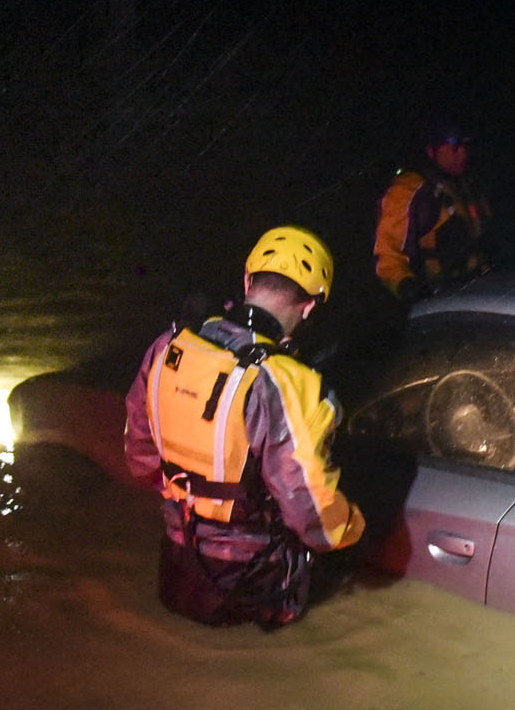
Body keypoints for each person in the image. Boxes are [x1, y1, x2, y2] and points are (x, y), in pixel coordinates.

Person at [124, 226, 366, 629]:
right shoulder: (292, 384)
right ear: (309, 308)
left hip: (176, 564)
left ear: (248, 281)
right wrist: (353, 526)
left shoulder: (168, 346)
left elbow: (139, 456)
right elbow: (312, 514)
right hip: (254, 584)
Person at [374, 121, 491, 303]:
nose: (463, 154)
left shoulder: (466, 184)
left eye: (464, 147)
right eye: (454, 149)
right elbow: (387, 252)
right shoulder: (410, 188)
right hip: (441, 297)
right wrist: (408, 287)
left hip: (480, 290)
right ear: (431, 151)